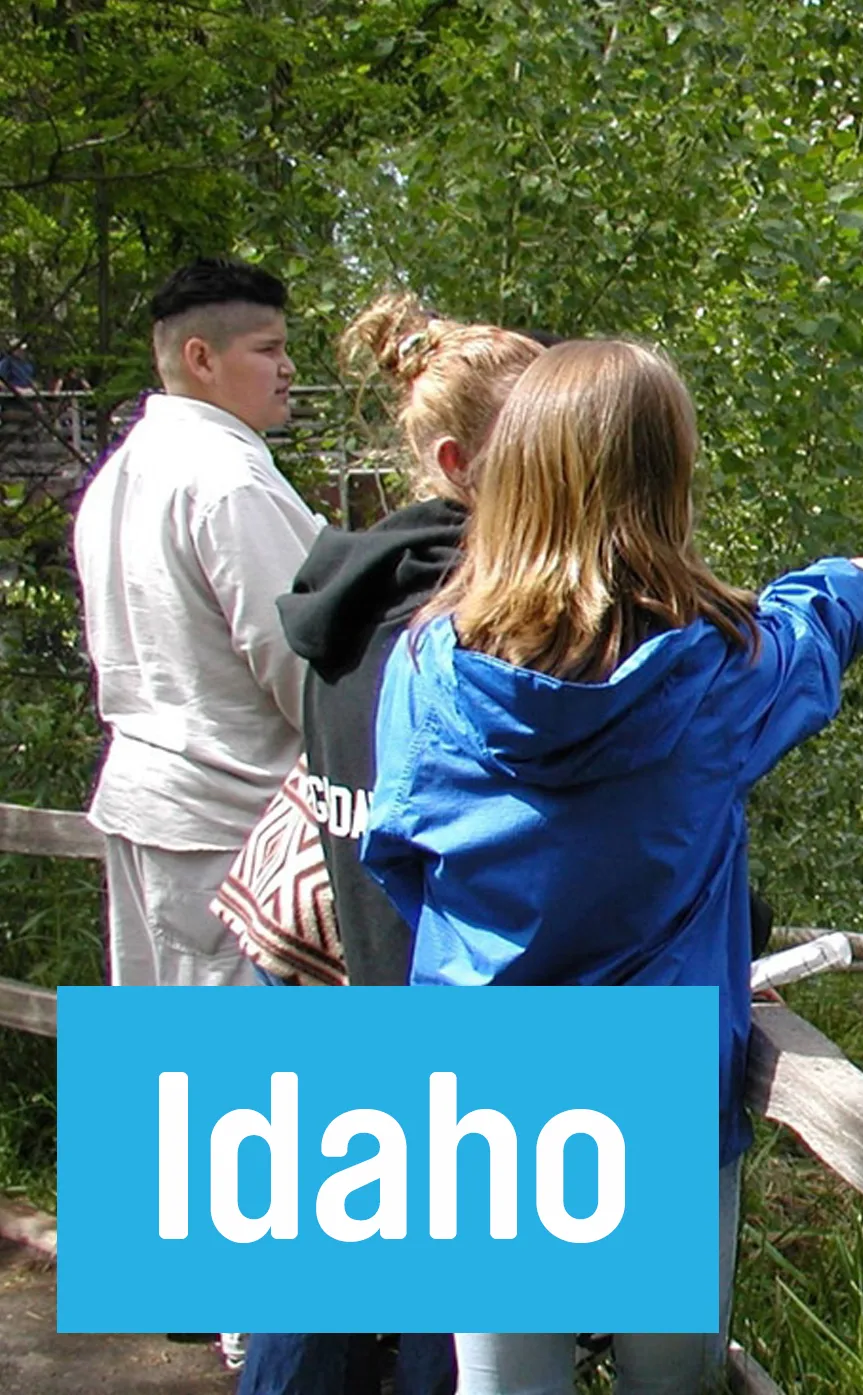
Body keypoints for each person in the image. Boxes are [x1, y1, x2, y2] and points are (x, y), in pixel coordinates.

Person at [359, 340, 863, 1395]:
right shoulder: (716, 674)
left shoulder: (429, 667)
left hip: (476, 1085)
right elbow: (815, 626)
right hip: (654, 1090)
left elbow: (397, 864)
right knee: (673, 1380)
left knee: (504, 1383)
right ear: (669, 484)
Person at [216, 293, 545, 1395]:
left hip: (319, 961)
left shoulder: (341, 602)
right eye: (550, 443)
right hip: (425, 997)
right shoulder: (479, 624)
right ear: (463, 462)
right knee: (432, 1329)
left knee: (306, 1286)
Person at [72, 257, 320, 989]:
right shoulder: (228, 480)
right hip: (229, 824)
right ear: (201, 357)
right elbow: (298, 657)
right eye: (268, 350)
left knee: (164, 1064)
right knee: (242, 1080)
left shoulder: (120, 471)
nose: (288, 368)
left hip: (149, 806)